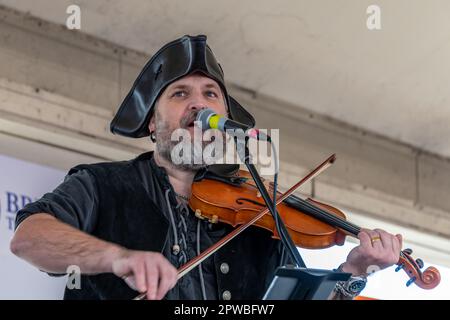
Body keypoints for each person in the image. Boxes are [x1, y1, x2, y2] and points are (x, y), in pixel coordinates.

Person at [10, 35, 402, 300]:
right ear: (152, 121)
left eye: (210, 94)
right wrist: (117, 258)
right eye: (181, 93)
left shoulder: (265, 214)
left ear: (226, 118)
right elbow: (29, 237)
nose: (200, 105)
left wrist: (355, 270)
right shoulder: (100, 184)